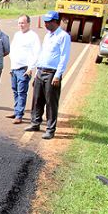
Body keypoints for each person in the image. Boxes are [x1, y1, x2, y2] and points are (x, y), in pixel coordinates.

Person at [24, 11, 71, 140]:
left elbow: (64, 57)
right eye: (45, 21)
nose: (45, 24)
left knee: (51, 103)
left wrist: (58, 75)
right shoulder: (47, 36)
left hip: (52, 74)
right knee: (37, 100)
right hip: (41, 71)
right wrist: (36, 72)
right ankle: (35, 123)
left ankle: (50, 129)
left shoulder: (63, 36)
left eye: (48, 22)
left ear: (56, 21)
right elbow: (43, 54)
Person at [7, 14, 41, 124]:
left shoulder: (33, 36)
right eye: (19, 23)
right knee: (15, 91)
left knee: (22, 92)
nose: (21, 25)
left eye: (23, 23)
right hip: (15, 68)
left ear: (28, 23)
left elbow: (37, 53)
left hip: (24, 69)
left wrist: (31, 68)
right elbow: (12, 50)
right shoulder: (17, 35)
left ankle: (19, 115)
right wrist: (12, 67)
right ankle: (16, 111)